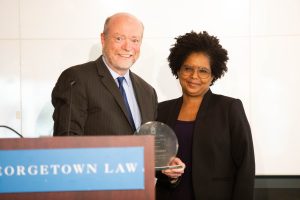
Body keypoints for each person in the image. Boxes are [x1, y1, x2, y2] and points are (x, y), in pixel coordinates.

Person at [155, 31, 255, 200]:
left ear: (213, 75)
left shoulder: (229, 108)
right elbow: (155, 163)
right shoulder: (162, 110)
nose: (194, 76)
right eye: (188, 68)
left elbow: (245, 165)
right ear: (178, 70)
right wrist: (168, 176)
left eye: (203, 71)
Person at [51, 12, 157, 136]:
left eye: (135, 40)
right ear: (103, 39)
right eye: (119, 38)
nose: (128, 47)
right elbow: (67, 141)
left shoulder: (148, 92)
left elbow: (151, 146)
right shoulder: (76, 78)